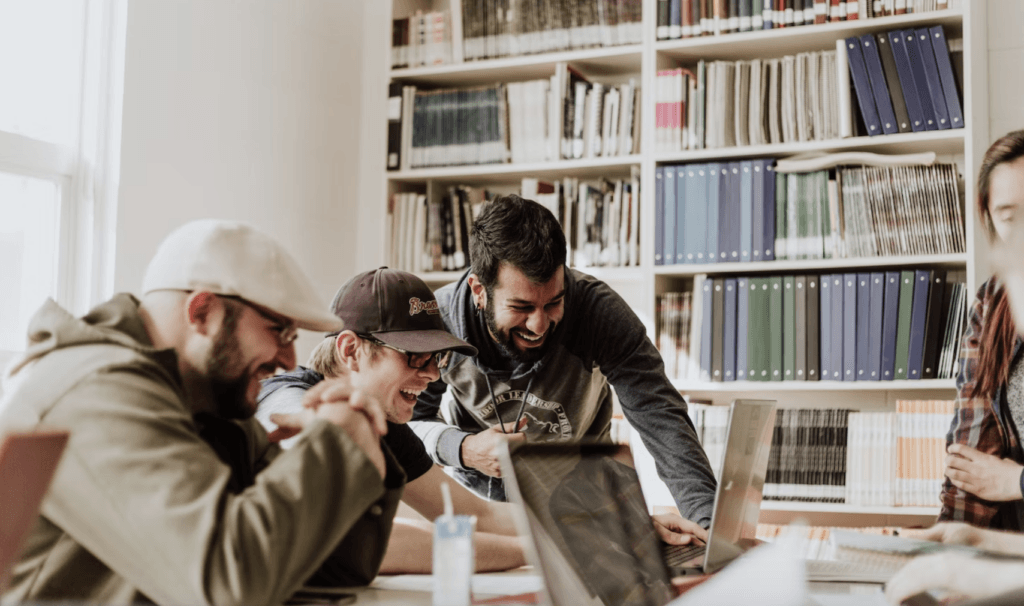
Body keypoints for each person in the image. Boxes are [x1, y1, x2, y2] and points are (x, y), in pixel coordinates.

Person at [0, 220, 404, 606]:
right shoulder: (97, 390)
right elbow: (229, 583)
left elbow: (331, 567)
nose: (289, 358)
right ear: (202, 313)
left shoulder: (209, 403)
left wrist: (359, 440)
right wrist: (337, 444)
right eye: (278, 330)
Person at [409, 194, 718, 534]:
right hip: (484, 513)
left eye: (554, 302)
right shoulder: (439, 323)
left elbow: (661, 417)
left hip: (585, 507)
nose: (539, 325)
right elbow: (407, 424)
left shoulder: (599, 312)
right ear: (479, 290)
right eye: (521, 307)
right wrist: (463, 448)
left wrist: (707, 527)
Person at [255, 266, 527, 573]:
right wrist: (533, 553)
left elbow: (475, 515)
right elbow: (356, 539)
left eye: (436, 357)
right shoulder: (284, 399)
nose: (433, 374)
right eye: (415, 355)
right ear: (351, 351)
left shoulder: (384, 424)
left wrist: (574, 530)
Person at [940, 130, 1024, 530]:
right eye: (1010, 217)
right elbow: (969, 456)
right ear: (990, 220)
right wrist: (947, 541)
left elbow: (1001, 479)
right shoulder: (993, 301)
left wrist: (1016, 481)